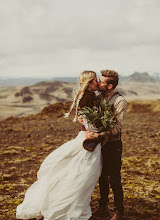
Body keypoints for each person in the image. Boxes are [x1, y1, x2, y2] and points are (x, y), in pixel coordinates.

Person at [16, 71, 102, 220]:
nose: (98, 83)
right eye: (95, 80)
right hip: (89, 138)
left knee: (78, 172)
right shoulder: (89, 97)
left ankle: (71, 202)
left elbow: (86, 118)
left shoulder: (85, 96)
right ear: (89, 83)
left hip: (85, 135)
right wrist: (99, 132)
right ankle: (66, 205)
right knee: (84, 174)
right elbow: (90, 121)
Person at [84, 70, 127, 220]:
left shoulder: (119, 101)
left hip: (113, 146)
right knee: (102, 177)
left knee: (114, 178)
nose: (98, 83)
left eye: (101, 82)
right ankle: (103, 207)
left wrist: (101, 135)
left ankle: (119, 211)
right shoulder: (99, 97)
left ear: (109, 86)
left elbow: (118, 127)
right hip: (100, 145)